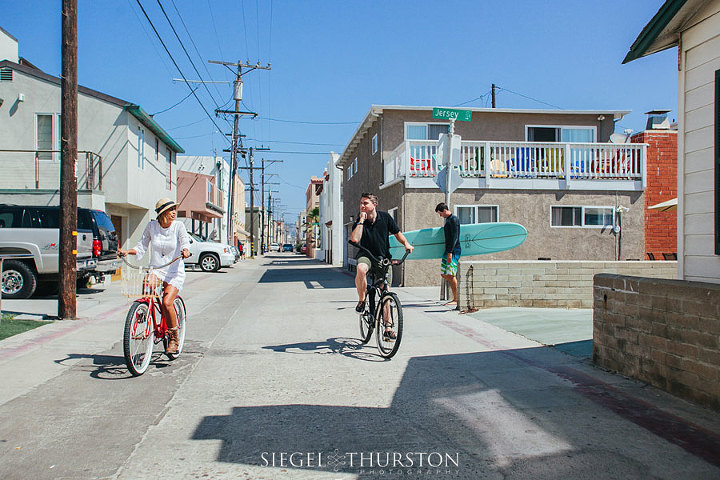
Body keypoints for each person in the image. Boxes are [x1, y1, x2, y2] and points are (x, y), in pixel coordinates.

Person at [118, 198, 191, 354]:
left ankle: (173, 338)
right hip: (157, 269)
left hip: (174, 270)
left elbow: (185, 241)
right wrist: (127, 251)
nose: (173, 213)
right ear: (162, 212)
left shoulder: (179, 226)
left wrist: (185, 250)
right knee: (147, 288)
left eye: (174, 209)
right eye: (170, 210)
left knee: (166, 302)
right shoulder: (152, 226)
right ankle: (144, 313)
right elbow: (142, 245)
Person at [350, 193, 414, 338]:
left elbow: (397, 233)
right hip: (366, 255)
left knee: (386, 293)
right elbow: (354, 239)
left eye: (365, 203)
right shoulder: (360, 221)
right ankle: (361, 300)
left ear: (374, 205)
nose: (362, 206)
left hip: (382, 259)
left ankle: (388, 327)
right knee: (361, 268)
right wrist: (360, 221)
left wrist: (406, 244)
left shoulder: (385, 218)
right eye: (361, 203)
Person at [435, 202, 461, 306]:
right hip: (448, 250)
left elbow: (455, 237)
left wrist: (450, 252)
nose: (440, 216)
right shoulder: (448, 220)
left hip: (454, 250)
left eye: (440, 213)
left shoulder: (454, 219)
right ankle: (455, 296)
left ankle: (456, 299)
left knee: (450, 274)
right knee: (444, 274)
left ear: (444, 211)